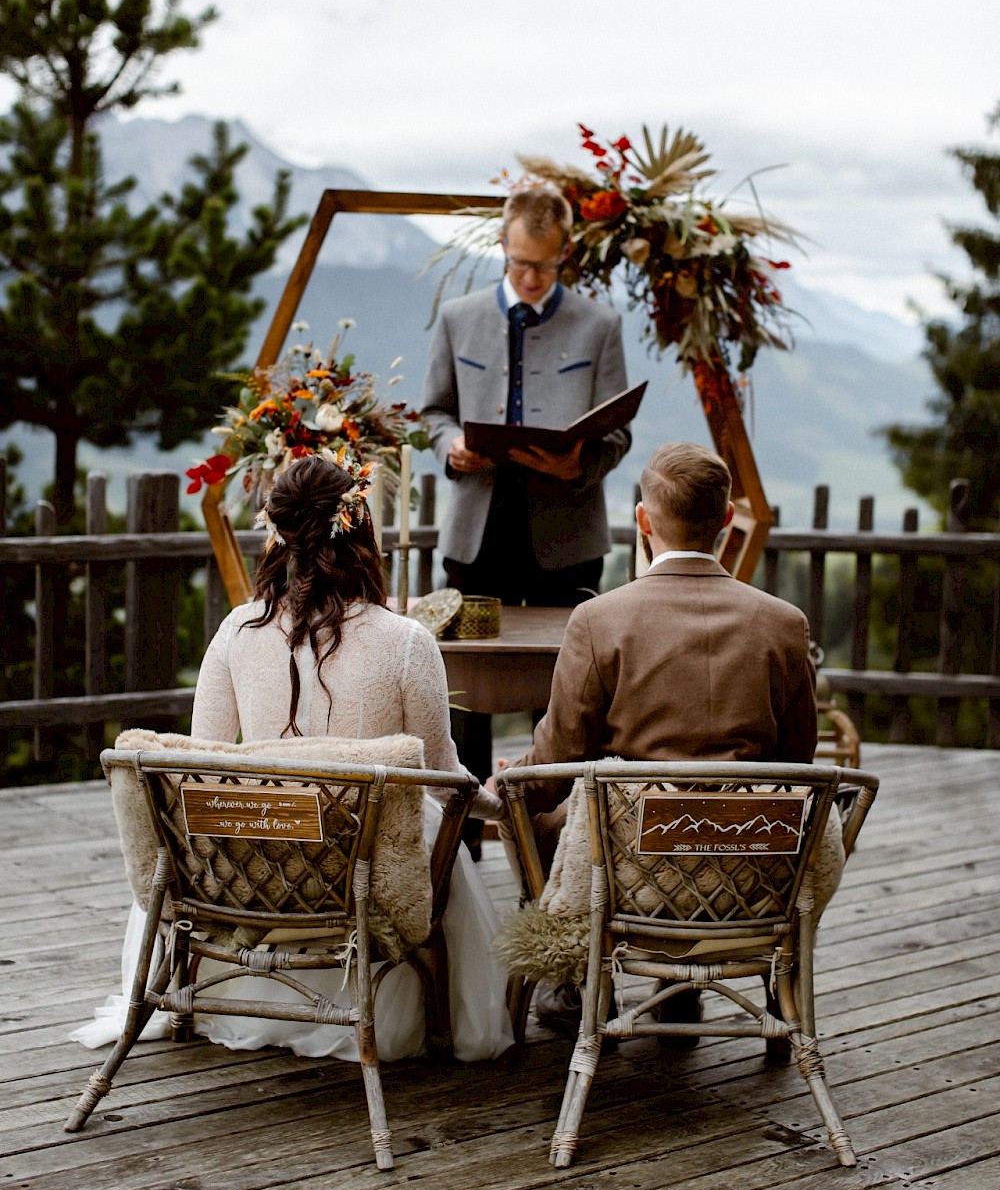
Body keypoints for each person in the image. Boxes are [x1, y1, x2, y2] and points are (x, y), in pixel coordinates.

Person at [73, 454, 513, 1063]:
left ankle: (223, 987)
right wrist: (503, 807)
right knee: (426, 835)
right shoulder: (407, 641)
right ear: (360, 529)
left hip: (249, 874)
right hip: (357, 880)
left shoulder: (233, 633)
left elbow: (202, 763)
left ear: (278, 533)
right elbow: (443, 781)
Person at [496, 441, 819, 1038]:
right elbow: (799, 760)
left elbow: (561, 758)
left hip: (633, 873)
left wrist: (511, 782)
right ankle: (692, 982)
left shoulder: (599, 620)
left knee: (537, 819)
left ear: (644, 521)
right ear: (725, 521)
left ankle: (575, 984)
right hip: (745, 869)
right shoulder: (783, 624)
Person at [421, 184, 633, 795]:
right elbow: (433, 412)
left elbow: (617, 432)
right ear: (502, 247)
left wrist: (582, 467)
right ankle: (460, 838)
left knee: (567, 693)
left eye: (544, 264)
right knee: (461, 689)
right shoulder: (458, 318)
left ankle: (552, 835)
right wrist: (450, 445)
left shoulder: (600, 324)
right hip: (474, 533)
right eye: (519, 263)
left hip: (566, 539)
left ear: (565, 252)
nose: (532, 276)